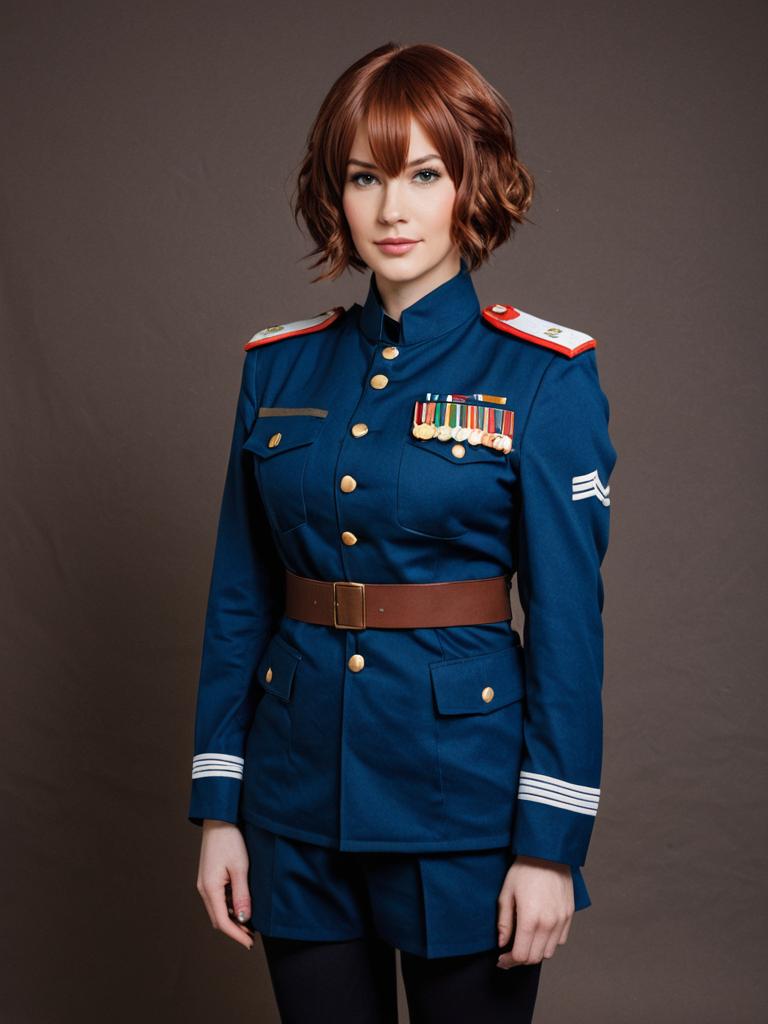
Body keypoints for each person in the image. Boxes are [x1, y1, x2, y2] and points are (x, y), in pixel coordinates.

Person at [188, 41, 617, 1024]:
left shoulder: (542, 379)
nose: (393, 210)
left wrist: (548, 845)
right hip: (294, 807)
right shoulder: (279, 372)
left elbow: (566, 631)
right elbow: (238, 596)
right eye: (365, 177)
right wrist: (220, 807)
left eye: (424, 174)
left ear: (475, 184)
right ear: (333, 194)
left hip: (460, 810)